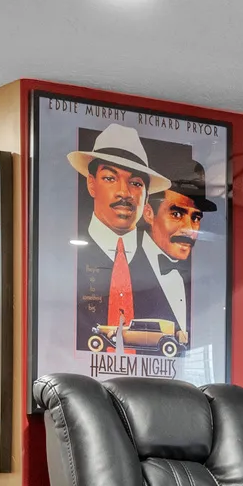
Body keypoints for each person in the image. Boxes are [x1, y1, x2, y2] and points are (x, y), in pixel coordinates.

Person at [66, 124, 172, 349]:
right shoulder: (62, 259)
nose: (124, 192)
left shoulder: (166, 270)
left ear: (145, 196)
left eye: (135, 183)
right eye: (110, 178)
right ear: (91, 184)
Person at [138, 162, 214, 343]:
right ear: (148, 213)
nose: (189, 229)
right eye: (177, 214)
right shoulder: (121, 265)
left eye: (195, 217)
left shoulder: (208, 281)